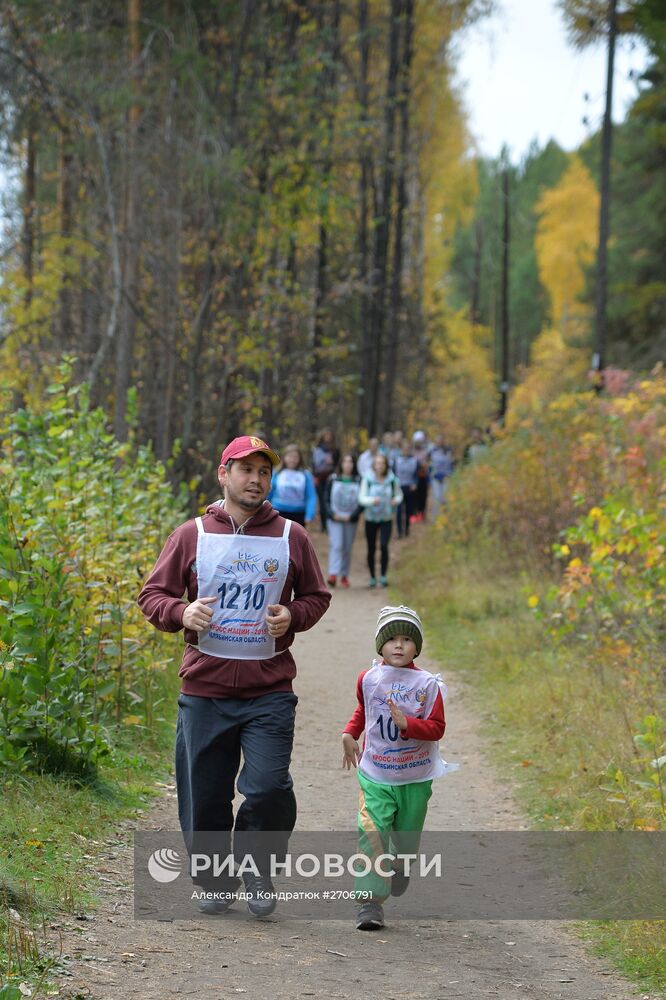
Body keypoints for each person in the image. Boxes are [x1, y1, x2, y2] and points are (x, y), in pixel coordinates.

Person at [137, 435, 331, 919]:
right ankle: (214, 880)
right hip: (204, 691)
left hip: (269, 690)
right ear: (223, 474)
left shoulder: (291, 536)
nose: (256, 479)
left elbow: (317, 596)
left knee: (267, 787)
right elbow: (152, 596)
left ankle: (257, 868)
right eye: (245, 470)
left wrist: (292, 615)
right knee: (205, 797)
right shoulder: (192, 535)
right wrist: (182, 613)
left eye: (263, 471)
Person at [341, 605, 447, 930]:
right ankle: (370, 903)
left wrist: (410, 725)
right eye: (391, 640)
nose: (398, 646)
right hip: (376, 773)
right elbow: (365, 710)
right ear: (380, 645)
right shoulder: (369, 678)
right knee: (372, 832)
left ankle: (401, 864)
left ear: (417, 646)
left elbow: (438, 728)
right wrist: (349, 732)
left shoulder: (428, 685)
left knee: (406, 835)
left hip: (414, 776)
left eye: (406, 640)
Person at [359, 452, 402, 588]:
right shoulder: (368, 478)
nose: (379, 466)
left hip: (386, 518)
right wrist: (372, 501)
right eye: (377, 463)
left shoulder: (392, 479)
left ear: (386, 465)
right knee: (371, 548)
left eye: (382, 463)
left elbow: (399, 495)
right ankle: (372, 577)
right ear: (374, 465)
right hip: (370, 519)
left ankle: (383, 576)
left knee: (384, 546)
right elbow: (361, 498)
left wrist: (396, 500)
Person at [324, 453, 363, 588]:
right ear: (341, 464)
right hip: (335, 518)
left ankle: (344, 575)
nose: (348, 465)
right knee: (337, 545)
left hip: (350, 519)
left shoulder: (358, 480)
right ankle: (333, 574)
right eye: (345, 462)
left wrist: (352, 516)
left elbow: (361, 502)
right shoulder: (333, 479)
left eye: (350, 462)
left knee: (347, 547)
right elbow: (326, 500)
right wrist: (332, 514)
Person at [268, 443, 317, 527]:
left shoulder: (305, 474)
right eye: (290, 456)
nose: (292, 460)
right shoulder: (277, 473)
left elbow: (311, 496)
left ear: (300, 459)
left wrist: (309, 515)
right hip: (278, 512)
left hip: (299, 514)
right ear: (284, 458)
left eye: (295, 457)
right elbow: (269, 492)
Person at [312, 429, 340, 531]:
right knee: (322, 501)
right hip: (320, 478)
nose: (328, 437)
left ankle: (330, 522)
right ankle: (323, 525)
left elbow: (338, 463)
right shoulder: (317, 449)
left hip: (331, 478)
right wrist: (314, 476)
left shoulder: (335, 449)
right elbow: (314, 464)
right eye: (326, 435)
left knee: (329, 500)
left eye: (329, 435)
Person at [393, 440, 419, 538]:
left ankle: (407, 528)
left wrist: (415, 484)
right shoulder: (396, 460)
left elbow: (417, 475)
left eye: (408, 448)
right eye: (404, 448)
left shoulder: (414, 461)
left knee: (408, 510)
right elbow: (393, 474)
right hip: (399, 487)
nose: (406, 450)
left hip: (410, 488)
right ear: (401, 449)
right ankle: (399, 532)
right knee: (399, 510)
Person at [428, 434, 455, 518]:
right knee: (437, 498)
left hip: (446, 477)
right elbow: (429, 464)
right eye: (437, 440)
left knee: (445, 499)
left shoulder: (448, 450)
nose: (439, 442)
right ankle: (435, 519)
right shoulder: (432, 451)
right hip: (435, 478)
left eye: (440, 440)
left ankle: (446, 518)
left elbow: (452, 464)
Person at [411, 430, 430, 522]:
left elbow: (428, 463)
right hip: (413, 477)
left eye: (420, 441)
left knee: (423, 495)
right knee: (414, 496)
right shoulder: (411, 451)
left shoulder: (426, 451)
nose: (418, 443)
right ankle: (414, 513)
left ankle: (422, 513)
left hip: (423, 476)